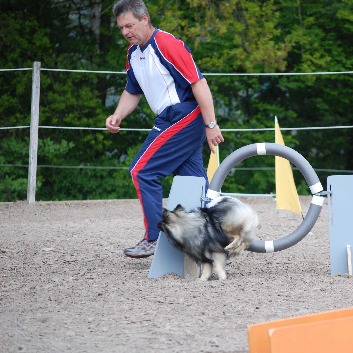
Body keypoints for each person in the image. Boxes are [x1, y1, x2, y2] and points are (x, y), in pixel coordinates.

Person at [106, 0, 224, 258]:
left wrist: (211, 124)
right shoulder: (132, 54)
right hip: (168, 118)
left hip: (184, 114)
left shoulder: (167, 44)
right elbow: (132, 91)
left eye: (129, 25)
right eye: (121, 28)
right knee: (194, 183)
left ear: (144, 19)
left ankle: (152, 238)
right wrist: (118, 114)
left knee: (142, 171)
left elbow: (199, 83)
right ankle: (214, 239)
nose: (125, 32)